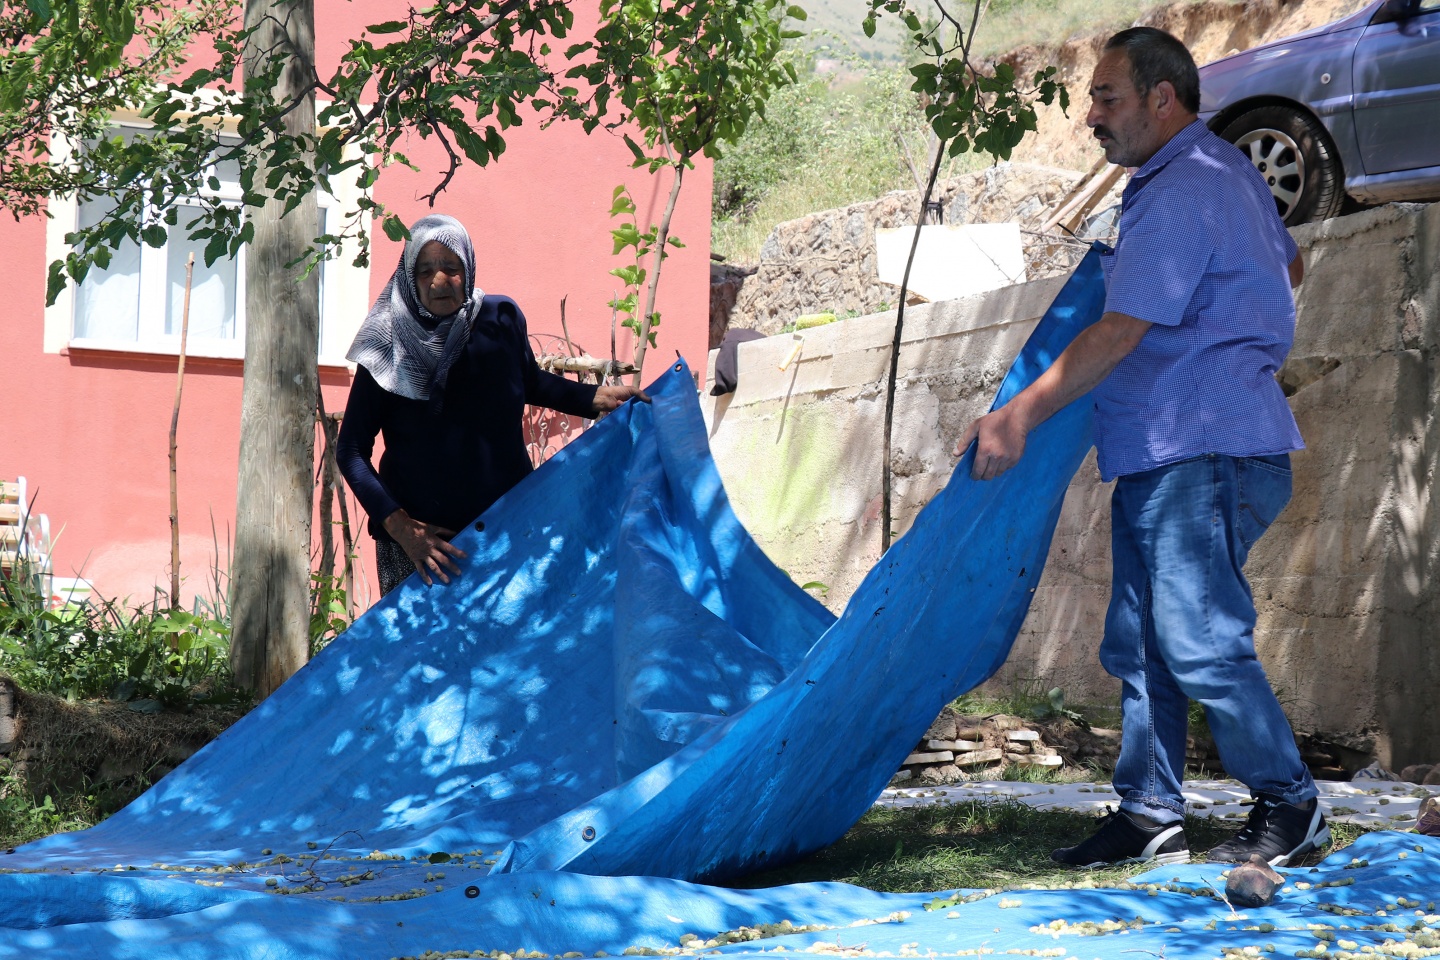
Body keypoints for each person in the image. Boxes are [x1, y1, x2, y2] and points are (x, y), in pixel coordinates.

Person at [957, 27, 1326, 868]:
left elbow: (1120, 329)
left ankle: (1292, 804)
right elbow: (1290, 266)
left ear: (1164, 99)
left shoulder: (1179, 184)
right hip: (1172, 446)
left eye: (1107, 97)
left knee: (1195, 637)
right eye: (1092, 98)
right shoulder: (1226, 172)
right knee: (1141, 639)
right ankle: (1151, 812)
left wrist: (1018, 415)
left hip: (1204, 446)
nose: (1091, 115)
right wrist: (1233, 324)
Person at [338, 214, 647, 597]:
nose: (439, 281)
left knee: (516, 652)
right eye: (425, 270)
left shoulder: (499, 320)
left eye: (451, 268)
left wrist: (595, 398)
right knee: (423, 657)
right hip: (426, 552)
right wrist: (403, 529)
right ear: (408, 276)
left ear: (467, 268)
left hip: (509, 530)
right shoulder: (387, 345)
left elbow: (528, 381)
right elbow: (351, 451)